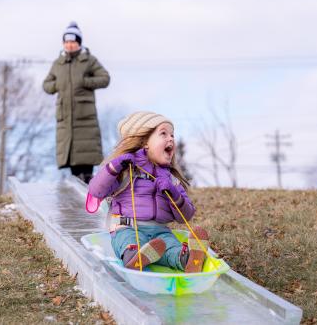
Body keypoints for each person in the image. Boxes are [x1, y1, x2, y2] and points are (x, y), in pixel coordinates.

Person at [87, 111, 209, 272]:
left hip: (160, 231)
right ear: (144, 141)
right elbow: (96, 190)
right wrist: (114, 167)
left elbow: (185, 216)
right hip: (127, 227)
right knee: (128, 240)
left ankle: (187, 260)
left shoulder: (170, 178)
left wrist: (174, 193)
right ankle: (134, 257)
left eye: (172, 135)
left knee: (169, 246)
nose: (171, 138)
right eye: (163, 133)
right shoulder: (125, 170)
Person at [43, 21, 110, 183]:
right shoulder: (58, 64)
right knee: (72, 159)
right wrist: (57, 85)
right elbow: (46, 85)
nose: (69, 45)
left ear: (79, 43)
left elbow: (105, 78)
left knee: (86, 159)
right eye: (66, 42)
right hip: (66, 119)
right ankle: (76, 183)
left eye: (73, 42)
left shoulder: (89, 60)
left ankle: (88, 185)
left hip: (84, 118)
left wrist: (85, 82)